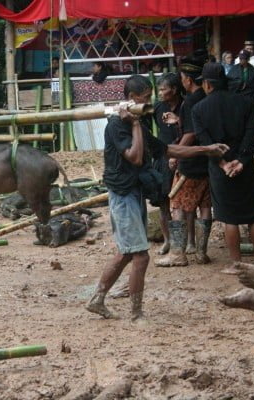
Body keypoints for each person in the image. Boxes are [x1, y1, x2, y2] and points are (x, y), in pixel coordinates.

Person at [85, 74, 229, 321]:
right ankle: (136, 312)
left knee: (127, 252)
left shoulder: (137, 125)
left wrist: (206, 149)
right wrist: (132, 125)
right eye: (145, 97)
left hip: (134, 191)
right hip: (122, 194)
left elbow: (167, 149)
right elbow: (136, 157)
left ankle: (97, 299)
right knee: (140, 254)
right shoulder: (117, 125)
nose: (150, 101)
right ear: (132, 99)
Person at [192, 62, 254, 266]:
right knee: (252, 214)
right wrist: (241, 160)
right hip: (245, 165)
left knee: (230, 218)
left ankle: (237, 264)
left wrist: (223, 163)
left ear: (207, 84)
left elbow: (204, 140)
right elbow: (252, 134)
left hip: (219, 169)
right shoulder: (247, 103)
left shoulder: (199, 109)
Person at [156, 57, 211, 267]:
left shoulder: (189, 102)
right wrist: (178, 121)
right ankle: (201, 252)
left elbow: (190, 133)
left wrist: (177, 155)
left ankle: (178, 253)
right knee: (205, 205)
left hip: (191, 161)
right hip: (208, 159)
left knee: (177, 204)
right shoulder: (205, 97)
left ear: (187, 79)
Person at [151, 73, 183, 256]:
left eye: (164, 89)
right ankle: (167, 240)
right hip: (163, 157)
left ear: (175, 90)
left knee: (184, 204)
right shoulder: (157, 107)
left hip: (183, 155)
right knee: (163, 202)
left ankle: (185, 240)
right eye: (160, 89)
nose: (161, 92)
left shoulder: (185, 106)